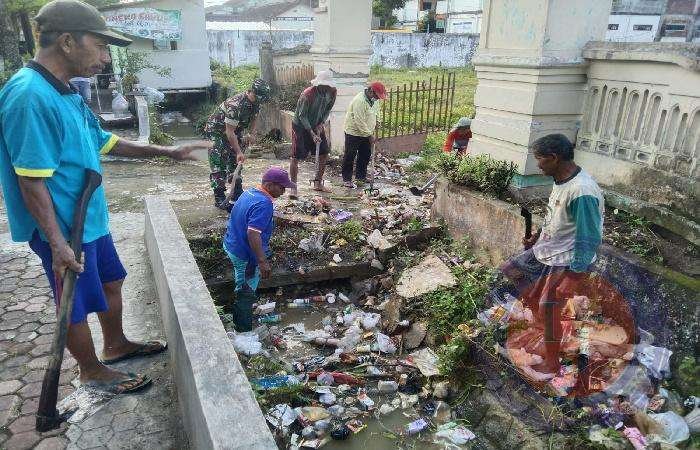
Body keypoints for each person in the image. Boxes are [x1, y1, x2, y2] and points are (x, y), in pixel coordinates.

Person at [0, 0, 209, 394]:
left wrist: (167, 152)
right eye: (99, 46)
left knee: (113, 280)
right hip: (64, 227)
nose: (105, 58)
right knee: (73, 304)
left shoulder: (65, 91)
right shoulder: (29, 97)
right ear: (67, 42)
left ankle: (115, 345)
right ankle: (91, 371)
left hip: (90, 218)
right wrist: (58, 244)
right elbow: (30, 181)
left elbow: (103, 140)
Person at [500, 134, 604, 375]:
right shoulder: (561, 180)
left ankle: (552, 361)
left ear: (554, 158)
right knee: (512, 270)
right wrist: (537, 236)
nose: (538, 165)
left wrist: (573, 276)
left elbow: (589, 237)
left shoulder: (582, 191)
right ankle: (544, 327)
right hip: (548, 250)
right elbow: (554, 216)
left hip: (566, 258)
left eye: (540, 159)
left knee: (549, 306)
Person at [222, 167, 295, 331]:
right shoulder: (264, 204)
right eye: (281, 187)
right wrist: (262, 261)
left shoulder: (249, 193)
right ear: (269, 185)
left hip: (232, 243)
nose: (284, 191)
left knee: (243, 283)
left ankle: (241, 312)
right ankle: (243, 331)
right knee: (245, 290)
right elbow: (253, 233)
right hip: (244, 254)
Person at [204, 78, 271, 211]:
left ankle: (237, 191)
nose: (260, 101)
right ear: (252, 92)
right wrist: (239, 151)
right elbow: (229, 132)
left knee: (236, 161)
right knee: (219, 161)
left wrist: (251, 134)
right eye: (258, 98)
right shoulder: (235, 105)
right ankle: (219, 196)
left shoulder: (256, 102)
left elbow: (255, 117)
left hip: (235, 130)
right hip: (217, 131)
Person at [289, 70, 337, 198]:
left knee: (324, 152)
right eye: (325, 85)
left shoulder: (332, 92)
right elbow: (302, 116)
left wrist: (321, 123)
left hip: (317, 124)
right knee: (295, 156)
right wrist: (311, 133)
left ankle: (317, 182)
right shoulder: (307, 95)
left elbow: (327, 110)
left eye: (329, 86)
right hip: (300, 126)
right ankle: (293, 187)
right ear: (319, 84)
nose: (327, 88)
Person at [341, 81, 387, 188]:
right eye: (376, 96)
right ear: (370, 91)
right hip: (354, 132)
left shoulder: (374, 100)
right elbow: (359, 121)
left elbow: (377, 112)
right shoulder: (360, 101)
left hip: (367, 132)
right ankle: (347, 179)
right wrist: (369, 135)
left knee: (365, 155)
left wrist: (377, 122)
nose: (377, 98)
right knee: (350, 155)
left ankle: (360, 177)